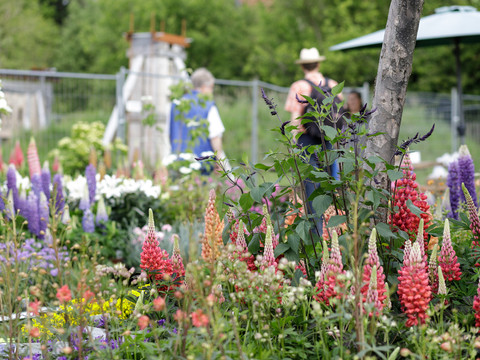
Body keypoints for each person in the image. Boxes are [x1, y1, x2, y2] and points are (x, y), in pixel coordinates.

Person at [284, 47, 343, 236]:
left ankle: (316, 235)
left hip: (306, 141)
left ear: (302, 67)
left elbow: (295, 120)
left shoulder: (299, 86)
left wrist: (293, 144)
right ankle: (336, 232)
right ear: (319, 63)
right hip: (328, 141)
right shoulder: (332, 84)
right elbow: (338, 115)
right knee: (331, 186)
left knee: (311, 188)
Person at [169, 68, 227, 171]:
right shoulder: (208, 106)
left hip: (178, 164)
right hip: (202, 166)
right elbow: (215, 137)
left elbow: (170, 134)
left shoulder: (176, 104)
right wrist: (220, 163)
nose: (211, 92)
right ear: (204, 87)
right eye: (211, 88)